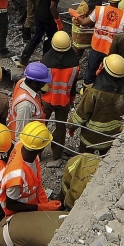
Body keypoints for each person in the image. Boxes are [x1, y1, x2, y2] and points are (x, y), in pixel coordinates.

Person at [69, 52, 124, 153]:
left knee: (85, 160)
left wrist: (71, 126)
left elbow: (82, 114)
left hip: (90, 137)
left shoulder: (93, 91)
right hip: (110, 137)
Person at [0, 121, 62, 216]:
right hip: (18, 214)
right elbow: (11, 205)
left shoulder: (21, 145)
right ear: (40, 149)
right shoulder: (18, 176)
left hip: (32, 203)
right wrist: (40, 208)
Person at [76, 0, 124, 88]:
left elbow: (85, 23)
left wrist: (76, 15)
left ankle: (86, 89)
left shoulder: (100, 10)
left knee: (91, 70)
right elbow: (123, 36)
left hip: (97, 46)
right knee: (107, 71)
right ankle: (101, 88)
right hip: (112, 50)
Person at [18, 0, 71, 64]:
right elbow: (52, 6)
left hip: (39, 14)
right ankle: (45, 61)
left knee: (37, 37)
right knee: (51, 38)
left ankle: (23, 59)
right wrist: (58, 20)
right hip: (47, 17)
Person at [40, 30, 80, 158]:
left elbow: (41, 83)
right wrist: (72, 98)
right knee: (61, 129)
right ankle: (57, 154)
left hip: (46, 99)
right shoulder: (74, 63)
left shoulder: (45, 61)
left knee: (40, 127)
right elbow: (73, 85)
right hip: (64, 100)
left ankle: (37, 153)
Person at [9, 62, 49, 141]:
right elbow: (20, 135)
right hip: (28, 141)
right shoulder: (25, 105)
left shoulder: (22, 82)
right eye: (43, 83)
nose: (44, 85)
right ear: (34, 83)